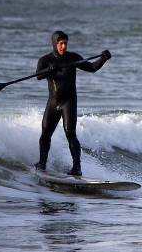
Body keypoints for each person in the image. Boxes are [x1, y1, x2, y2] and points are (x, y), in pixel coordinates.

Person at [35, 30, 111, 176]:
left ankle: (77, 168)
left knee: (70, 134)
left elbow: (91, 68)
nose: (63, 46)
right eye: (60, 43)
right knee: (45, 134)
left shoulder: (73, 58)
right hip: (53, 103)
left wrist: (103, 59)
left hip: (68, 102)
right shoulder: (45, 60)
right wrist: (48, 71)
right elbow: (38, 76)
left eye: (65, 43)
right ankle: (42, 164)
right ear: (55, 44)